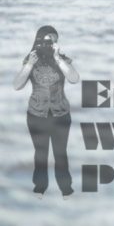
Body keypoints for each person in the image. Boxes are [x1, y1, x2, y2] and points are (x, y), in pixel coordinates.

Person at [13, 25, 79, 199]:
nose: (49, 45)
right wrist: (29, 64)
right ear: (38, 41)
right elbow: (17, 85)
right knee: (40, 153)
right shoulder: (30, 59)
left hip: (61, 114)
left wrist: (58, 58)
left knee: (60, 153)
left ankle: (66, 189)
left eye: (53, 41)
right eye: (46, 41)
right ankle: (40, 188)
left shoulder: (62, 59)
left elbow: (74, 78)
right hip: (36, 114)